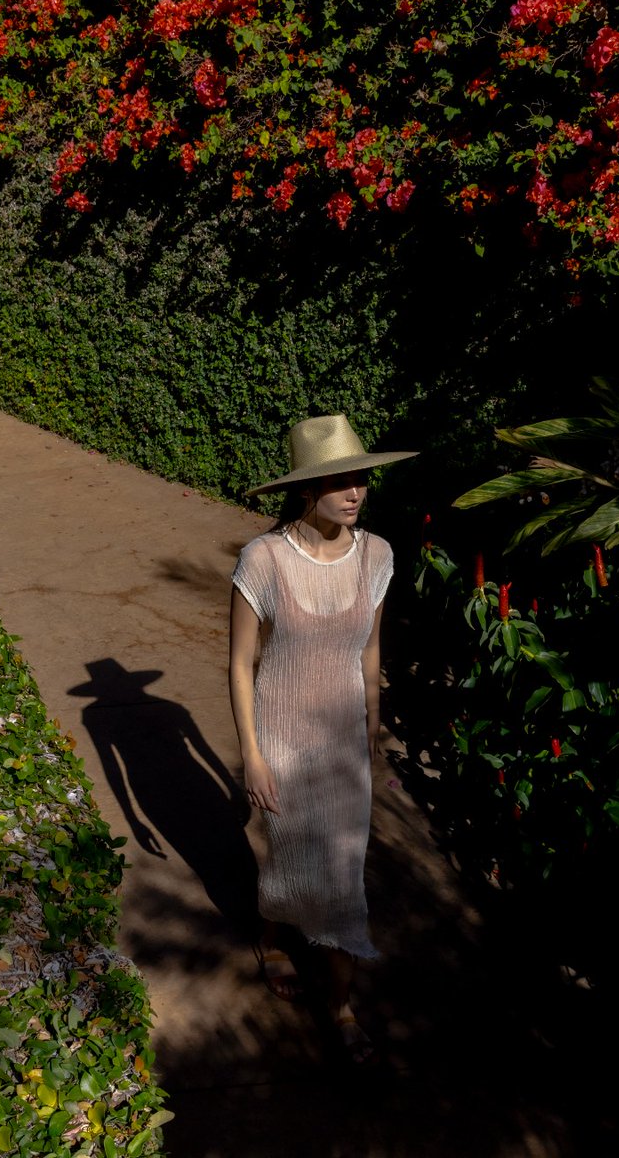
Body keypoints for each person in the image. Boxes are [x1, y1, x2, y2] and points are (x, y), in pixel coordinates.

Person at [228, 413, 417, 1063]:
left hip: (342, 748)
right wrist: (251, 754)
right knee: (286, 855)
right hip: (282, 739)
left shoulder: (378, 556)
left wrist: (370, 733)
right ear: (306, 488)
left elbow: (370, 653)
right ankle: (273, 934)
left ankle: (339, 1009)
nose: (355, 489)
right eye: (338, 479)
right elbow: (239, 663)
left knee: (341, 876)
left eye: (360, 476)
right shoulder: (264, 558)